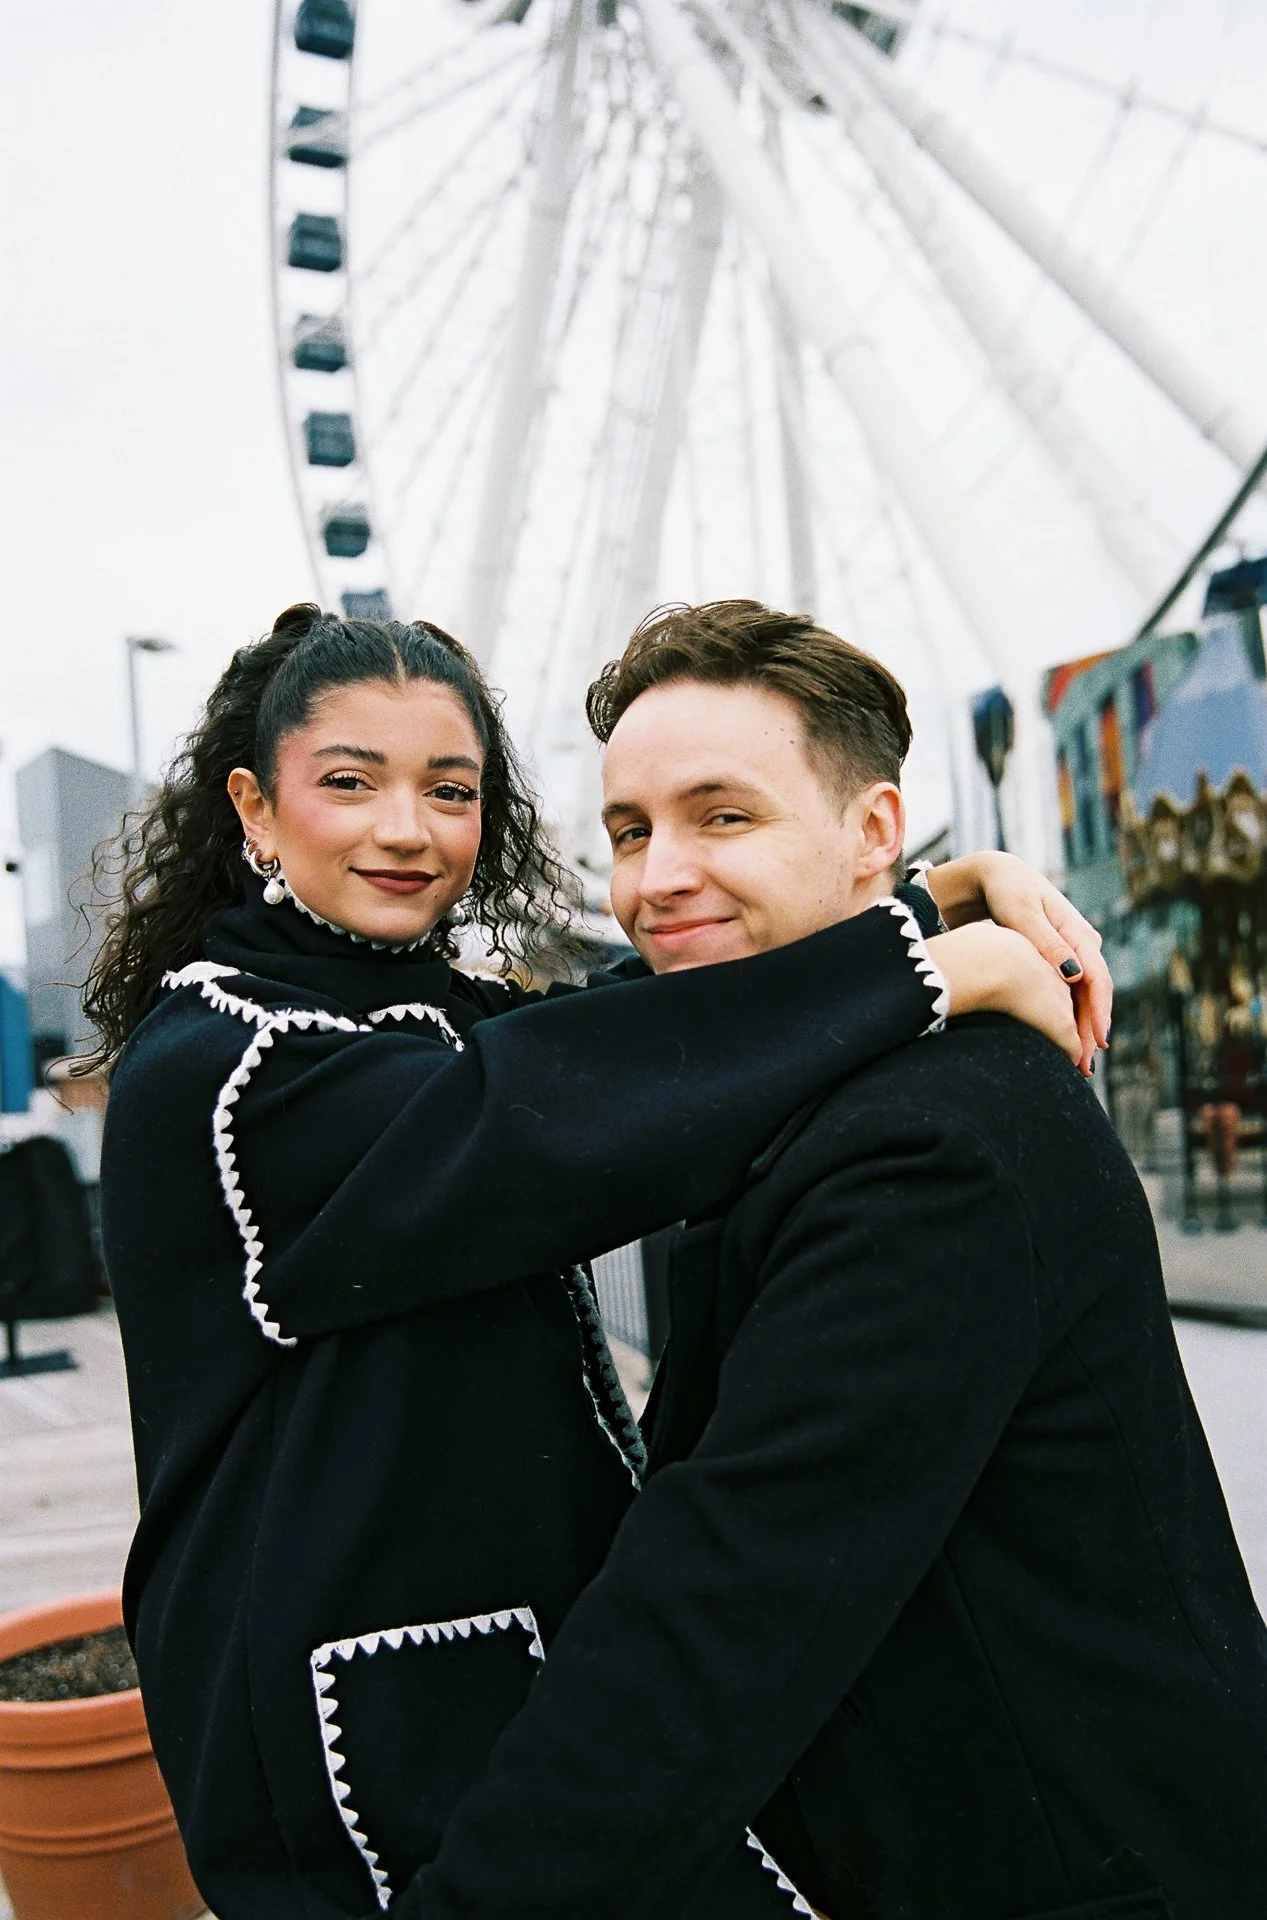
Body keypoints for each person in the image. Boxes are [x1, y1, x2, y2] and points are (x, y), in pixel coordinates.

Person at [93, 603, 1100, 1920]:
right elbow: (533, 1113)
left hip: (500, 1679)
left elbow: (609, 1024)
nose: (407, 829)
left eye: (448, 791)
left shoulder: (416, 1011)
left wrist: (931, 897)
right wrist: (921, 970)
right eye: (350, 783)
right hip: (350, 1732)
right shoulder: (221, 1065)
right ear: (256, 807)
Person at [395, 601, 1267, 1920]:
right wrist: (936, 906)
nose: (654, 879)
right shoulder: (832, 1086)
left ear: (870, 832)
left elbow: (723, 1610)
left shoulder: (926, 1148)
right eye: (629, 832)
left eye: (720, 816)